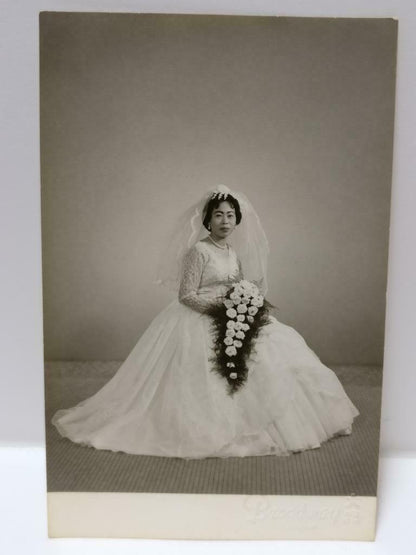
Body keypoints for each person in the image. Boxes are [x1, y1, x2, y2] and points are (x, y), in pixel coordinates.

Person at [52, 185, 359, 458]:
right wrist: (223, 309)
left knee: (272, 353)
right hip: (199, 317)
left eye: (230, 216)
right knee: (201, 373)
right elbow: (187, 295)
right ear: (207, 220)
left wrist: (246, 299)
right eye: (218, 216)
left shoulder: (232, 252)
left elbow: (237, 283)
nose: (225, 222)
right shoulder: (198, 251)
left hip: (233, 314)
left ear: (237, 220)